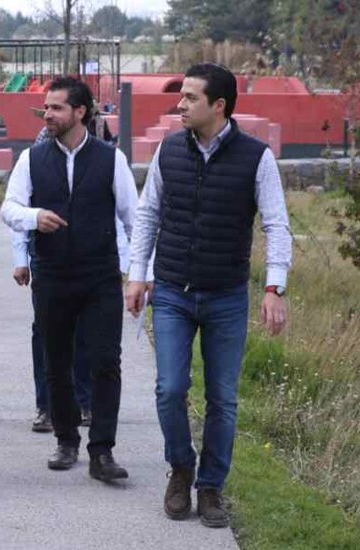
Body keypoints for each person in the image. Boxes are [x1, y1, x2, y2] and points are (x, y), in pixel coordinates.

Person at [125, 63, 292, 528]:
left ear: (218, 106)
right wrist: (137, 275)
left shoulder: (256, 158)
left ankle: (211, 487)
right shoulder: (168, 150)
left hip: (226, 295)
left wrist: (275, 287)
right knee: (170, 388)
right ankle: (181, 469)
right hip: (174, 291)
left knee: (223, 398)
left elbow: (276, 225)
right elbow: (148, 213)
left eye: (191, 98)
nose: (180, 104)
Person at [0, 76, 136, 482]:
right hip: (53, 274)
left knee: (105, 361)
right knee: (56, 360)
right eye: (46, 107)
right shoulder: (32, 158)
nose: (48, 114)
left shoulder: (112, 159)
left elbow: (135, 216)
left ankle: (102, 451)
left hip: (100, 276)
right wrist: (32, 218)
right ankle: (66, 440)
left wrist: (139, 274)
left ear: (81, 112)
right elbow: (9, 207)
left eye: (57, 107)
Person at [12, 218, 129, 433]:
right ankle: (45, 406)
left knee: (83, 328)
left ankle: (83, 401)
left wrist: (124, 260)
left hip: (90, 255)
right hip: (46, 255)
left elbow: (119, 214)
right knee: (44, 331)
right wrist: (20, 258)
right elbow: (22, 207)